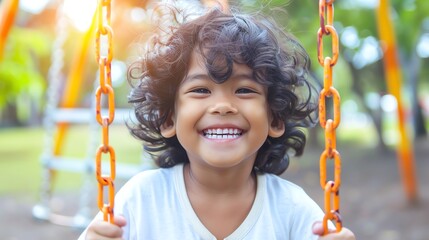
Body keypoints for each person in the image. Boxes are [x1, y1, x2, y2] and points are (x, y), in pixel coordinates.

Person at [79, 4, 355, 240]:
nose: (223, 106)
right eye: (200, 90)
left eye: (245, 90)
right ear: (169, 118)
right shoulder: (141, 201)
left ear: (275, 117)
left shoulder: (293, 210)